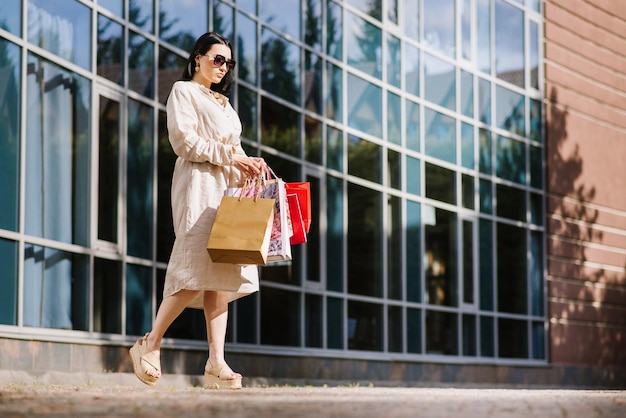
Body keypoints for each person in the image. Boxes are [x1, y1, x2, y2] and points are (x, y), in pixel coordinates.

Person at [129, 32, 265, 390]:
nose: (223, 67)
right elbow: (183, 141)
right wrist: (232, 156)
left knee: (220, 273)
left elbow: (233, 148)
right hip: (198, 187)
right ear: (198, 58)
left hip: (225, 190)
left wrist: (249, 165)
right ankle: (150, 342)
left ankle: (216, 362)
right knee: (191, 267)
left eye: (229, 63)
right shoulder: (183, 91)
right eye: (217, 59)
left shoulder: (224, 103)